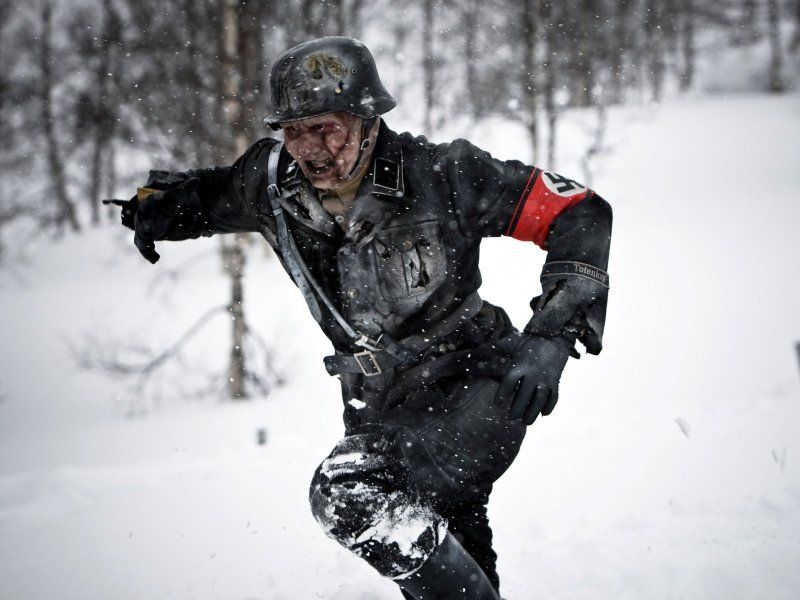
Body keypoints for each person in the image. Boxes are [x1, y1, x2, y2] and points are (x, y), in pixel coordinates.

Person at [108, 36, 612, 600]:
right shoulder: (272, 186)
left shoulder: (444, 174)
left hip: (478, 386)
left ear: (368, 119)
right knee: (442, 546)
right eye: (294, 131)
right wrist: (155, 209)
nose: (310, 149)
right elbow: (210, 195)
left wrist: (552, 336)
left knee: (352, 493)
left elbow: (579, 211)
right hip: (378, 407)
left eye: (326, 128)